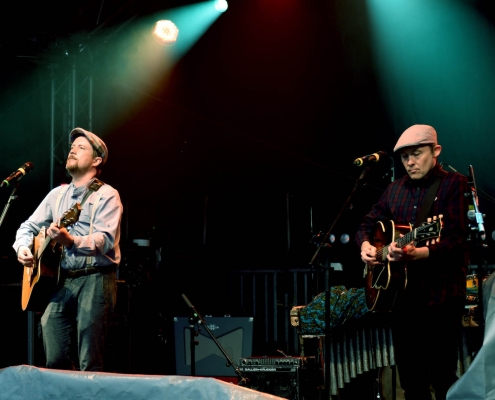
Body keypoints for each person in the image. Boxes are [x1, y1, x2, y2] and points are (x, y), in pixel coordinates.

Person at [355, 124, 469, 400]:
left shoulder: (454, 184)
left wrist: (420, 254)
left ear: (436, 151)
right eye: (405, 157)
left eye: (417, 154)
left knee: (443, 378)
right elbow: (366, 225)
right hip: (403, 300)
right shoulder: (393, 190)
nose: (410, 162)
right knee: (411, 382)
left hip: (441, 297)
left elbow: (457, 239)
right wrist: (366, 246)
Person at [13, 127, 123, 372]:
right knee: (54, 354)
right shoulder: (57, 194)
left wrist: (71, 241)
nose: (72, 150)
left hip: (95, 278)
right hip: (61, 280)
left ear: (96, 161)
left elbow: (105, 239)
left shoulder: (107, 195)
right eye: (72, 147)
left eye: (81, 148)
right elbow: (28, 226)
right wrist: (21, 247)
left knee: (89, 361)